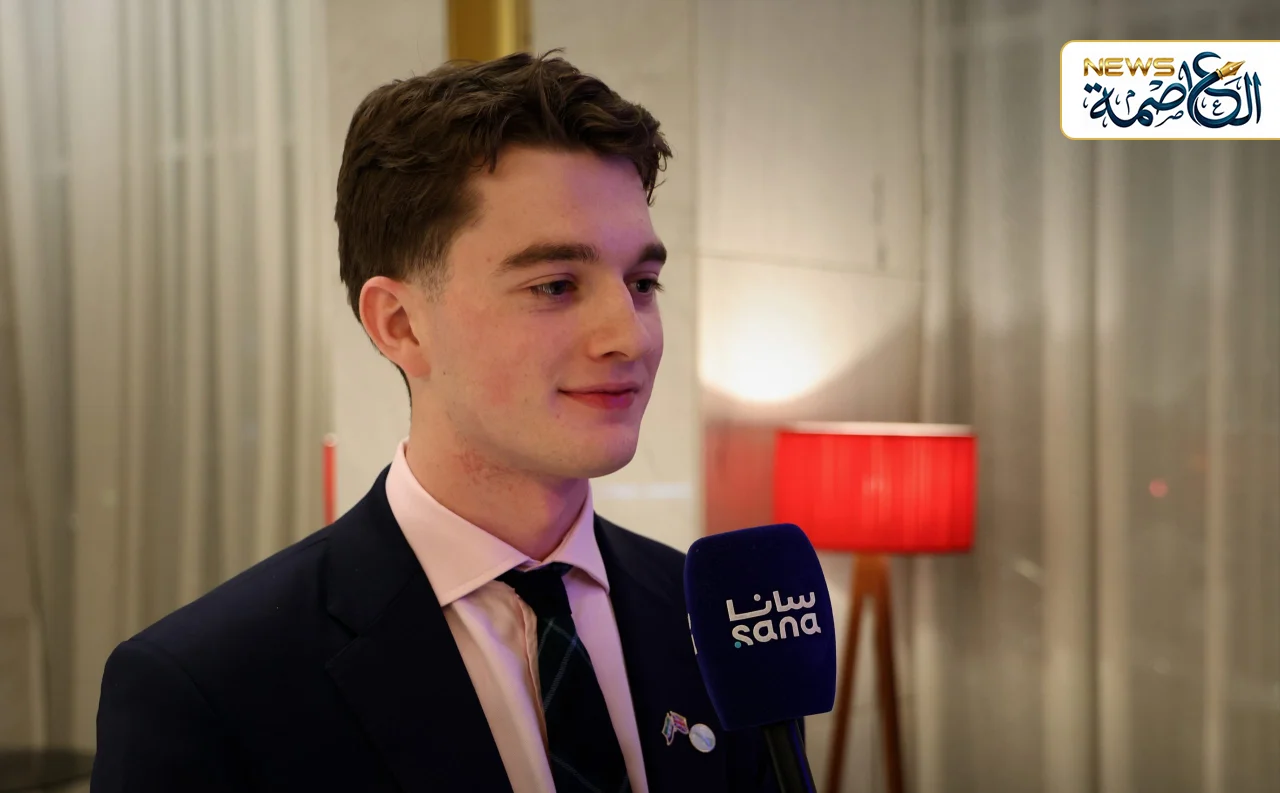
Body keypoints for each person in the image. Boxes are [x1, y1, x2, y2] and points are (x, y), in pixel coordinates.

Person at [91, 51, 784, 792]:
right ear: (399, 324)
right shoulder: (210, 688)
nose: (630, 335)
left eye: (641, 283)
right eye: (555, 285)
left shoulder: (712, 617)